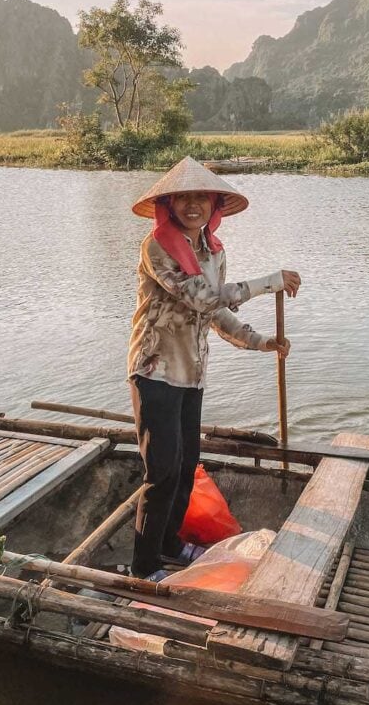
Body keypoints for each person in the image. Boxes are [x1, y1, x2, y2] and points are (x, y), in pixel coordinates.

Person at [128, 156, 301, 581]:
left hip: (192, 375)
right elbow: (203, 299)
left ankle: (169, 543)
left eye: (199, 199)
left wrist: (262, 342)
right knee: (162, 473)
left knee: (186, 468)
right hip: (154, 373)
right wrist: (271, 281)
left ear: (213, 206)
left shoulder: (212, 253)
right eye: (182, 198)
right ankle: (143, 567)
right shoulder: (157, 247)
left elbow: (216, 317)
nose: (191, 206)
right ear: (169, 205)